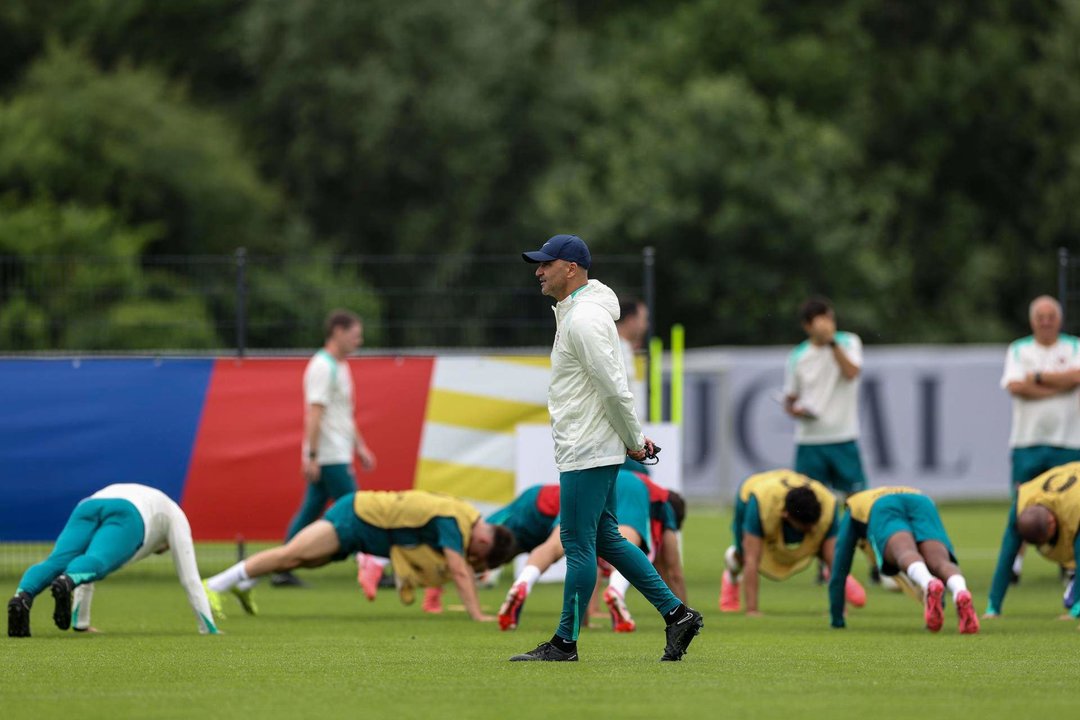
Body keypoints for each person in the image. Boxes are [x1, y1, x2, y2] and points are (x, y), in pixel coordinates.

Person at [512, 233, 702, 662]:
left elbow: (614, 390)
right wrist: (630, 439)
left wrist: (634, 441)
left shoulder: (583, 320)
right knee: (606, 540)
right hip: (594, 443)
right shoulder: (579, 313)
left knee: (577, 544)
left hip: (587, 447)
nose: (538, 272)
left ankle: (564, 643)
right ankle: (678, 614)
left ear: (572, 269)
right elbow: (609, 389)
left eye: (546, 264)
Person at [204, 490, 516, 622]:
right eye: (480, 554)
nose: (473, 558)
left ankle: (242, 585)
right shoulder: (456, 521)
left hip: (363, 527)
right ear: (485, 537)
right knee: (291, 555)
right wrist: (476, 614)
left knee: (305, 560)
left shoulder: (463, 516)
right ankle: (215, 585)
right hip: (355, 517)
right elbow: (459, 571)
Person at [8, 483, 218, 637]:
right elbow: (190, 579)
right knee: (97, 561)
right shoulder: (177, 517)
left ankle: (21, 597)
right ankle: (67, 581)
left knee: (55, 562)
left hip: (89, 505)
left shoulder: (151, 496)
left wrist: (81, 624)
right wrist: (209, 628)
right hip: (129, 513)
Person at [496, 470, 687, 633]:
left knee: (560, 545)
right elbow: (673, 570)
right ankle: (616, 591)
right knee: (623, 543)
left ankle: (523, 582)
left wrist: (586, 618)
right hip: (629, 486)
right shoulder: (662, 501)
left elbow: (590, 563)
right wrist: (684, 608)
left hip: (590, 479)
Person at [273, 309, 380, 589]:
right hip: (329, 454)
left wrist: (361, 447)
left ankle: (280, 567)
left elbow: (344, 414)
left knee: (310, 510)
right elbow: (315, 413)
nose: (360, 341)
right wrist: (312, 455)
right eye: (355, 335)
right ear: (338, 332)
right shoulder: (322, 366)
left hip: (336, 451)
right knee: (358, 510)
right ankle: (375, 567)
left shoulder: (341, 366)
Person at [1000, 295, 1080, 583]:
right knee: (1021, 504)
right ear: (1033, 321)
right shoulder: (1019, 349)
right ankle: (1013, 566)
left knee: (1072, 506)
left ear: (1059, 319)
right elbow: (1016, 386)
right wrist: (1058, 385)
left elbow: (1077, 376)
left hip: (1069, 440)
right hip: (1027, 441)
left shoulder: (1074, 346)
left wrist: (1037, 378)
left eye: (1051, 316)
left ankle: (1071, 564)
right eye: (1040, 317)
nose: (1046, 322)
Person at [828, 487, 980, 634]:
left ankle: (928, 583)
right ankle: (960, 590)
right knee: (941, 562)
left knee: (904, 552)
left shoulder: (853, 506)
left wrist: (837, 620)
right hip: (921, 500)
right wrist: (939, 605)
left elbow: (839, 565)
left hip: (883, 507)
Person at [719, 469, 866, 615]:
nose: (812, 529)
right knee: (744, 555)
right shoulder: (759, 504)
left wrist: (839, 610)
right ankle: (731, 575)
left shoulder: (828, 504)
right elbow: (751, 559)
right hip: (752, 492)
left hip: (787, 492)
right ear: (785, 515)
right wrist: (752, 610)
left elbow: (834, 558)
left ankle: (840, 583)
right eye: (805, 526)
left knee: (829, 552)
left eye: (814, 524)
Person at [783, 296, 867, 499]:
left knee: (855, 499)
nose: (827, 325)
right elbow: (790, 398)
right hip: (809, 439)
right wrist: (795, 410)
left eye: (829, 319)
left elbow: (851, 372)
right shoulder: (798, 355)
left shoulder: (848, 341)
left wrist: (831, 342)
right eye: (819, 321)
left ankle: (852, 532)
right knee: (806, 501)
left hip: (843, 435)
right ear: (807, 326)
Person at [984, 462, 1080, 623]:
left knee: (1073, 602)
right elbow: (1007, 556)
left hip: (1074, 496)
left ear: (1051, 522)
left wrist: (1075, 611)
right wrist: (993, 607)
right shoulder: (1020, 506)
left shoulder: (1074, 511)